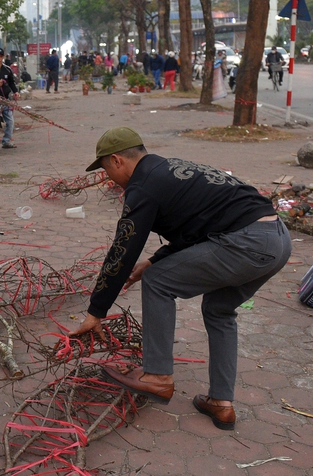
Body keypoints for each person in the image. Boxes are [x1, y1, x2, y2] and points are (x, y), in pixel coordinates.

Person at [70, 127, 291, 431]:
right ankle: (221, 402)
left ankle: (158, 376)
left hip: (247, 243)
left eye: (106, 168)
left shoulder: (143, 186)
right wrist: (154, 259)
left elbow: (122, 250)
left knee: (159, 282)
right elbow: (199, 229)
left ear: (118, 160)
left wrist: (96, 312)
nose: (108, 177)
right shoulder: (171, 170)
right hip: (277, 240)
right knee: (219, 309)